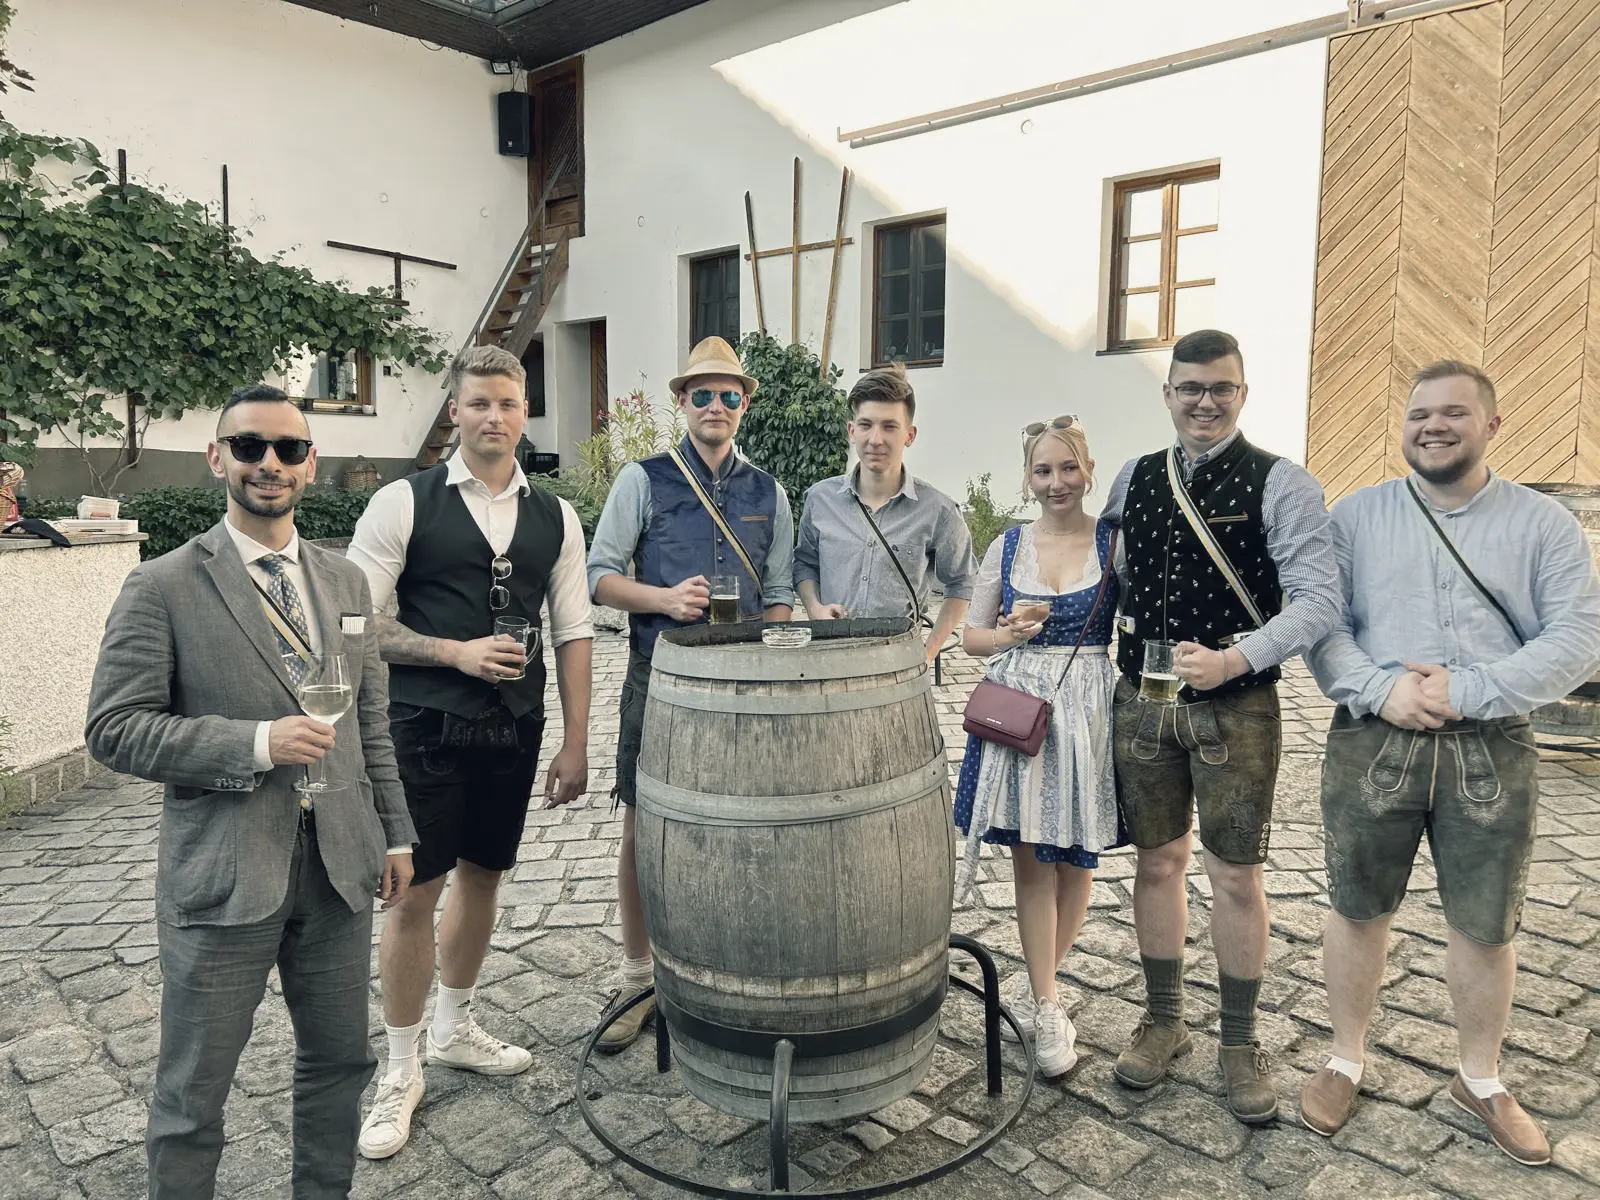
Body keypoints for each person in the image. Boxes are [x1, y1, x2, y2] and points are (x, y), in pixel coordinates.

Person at [84, 385, 416, 1198]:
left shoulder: (345, 583)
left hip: (339, 869)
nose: (269, 463)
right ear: (217, 457)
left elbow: (372, 725)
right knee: (194, 1093)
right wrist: (254, 742)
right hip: (225, 875)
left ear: (311, 467)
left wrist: (396, 834)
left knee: (340, 1063)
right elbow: (115, 728)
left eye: (289, 449)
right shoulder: (161, 585)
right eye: (250, 447)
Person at [1303, 360, 1600, 1164]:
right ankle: (1344, 1059)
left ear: (1492, 425)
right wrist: (1379, 689)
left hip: (1492, 746)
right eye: (1419, 414)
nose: (1432, 426)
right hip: (1374, 739)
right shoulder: (1357, 517)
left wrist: (1469, 689)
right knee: (1357, 907)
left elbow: (1577, 638)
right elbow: (1323, 625)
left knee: (1485, 922)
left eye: (1453, 413)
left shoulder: (1543, 526)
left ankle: (1481, 1078)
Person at [346, 345, 593, 1160]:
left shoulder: (556, 515)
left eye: (509, 404)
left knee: (487, 876)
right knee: (415, 894)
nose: (495, 417)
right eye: (479, 403)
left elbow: (575, 630)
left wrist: (577, 739)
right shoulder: (401, 502)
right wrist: (451, 652)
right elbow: (356, 622)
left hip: (514, 728)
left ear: (526, 413)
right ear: (454, 410)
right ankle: (402, 1062)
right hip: (421, 726)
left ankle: (454, 1026)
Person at [1101, 328, 1340, 1123]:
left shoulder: (1284, 483)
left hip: (1236, 707)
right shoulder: (1133, 476)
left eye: (1221, 389)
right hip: (1143, 700)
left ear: (1242, 393)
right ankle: (1164, 1020)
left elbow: (1316, 601)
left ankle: (1239, 1041)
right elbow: (1114, 574)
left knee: (1235, 874)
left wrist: (1236, 661)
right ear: (1168, 393)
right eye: (1191, 388)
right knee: (1156, 864)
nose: (1205, 401)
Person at [586, 335, 795, 1050]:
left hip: (742, 685)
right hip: (663, 676)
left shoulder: (770, 490)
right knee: (644, 828)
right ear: (681, 402)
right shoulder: (642, 481)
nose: (714, 406)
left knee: (742, 830)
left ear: (744, 405)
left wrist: (771, 654)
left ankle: (724, 966)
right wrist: (665, 599)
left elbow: (777, 592)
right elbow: (600, 576)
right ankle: (639, 976)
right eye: (700, 394)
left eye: (728, 395)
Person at [953, 415, 1121, 1078]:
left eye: (1068, 468)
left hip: (1089, 711)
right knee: (1032, 861)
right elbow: (969, 636)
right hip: (1023, 710)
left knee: (1076, 861)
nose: (1057, 482)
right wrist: (1008, 636)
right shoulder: (1009, 545)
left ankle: (1038, 984)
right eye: (1043, 471)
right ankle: (1047, 1004)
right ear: (1028, 477)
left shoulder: (1114, 543)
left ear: (1087, 470)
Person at [793, 364, 976, 664]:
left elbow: (962, 583)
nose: (876, 439)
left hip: (897, 668)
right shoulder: (820, 500)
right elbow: (804, 564)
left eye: (890, 426)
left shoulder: (937, 510)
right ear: (851, 431)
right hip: (828, 660)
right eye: (866, 425)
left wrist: (928, 651)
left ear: (910, 434)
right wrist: (814, 608)